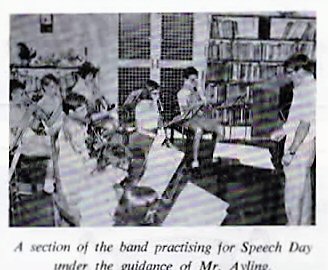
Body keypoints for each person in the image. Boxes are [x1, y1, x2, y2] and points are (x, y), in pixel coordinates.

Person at [280, 54, 316, 225]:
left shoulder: (308, 90)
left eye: (290, 73)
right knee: (304, 193)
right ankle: (304, 229)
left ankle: (292, 234)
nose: (288, 77)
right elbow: (297, 119)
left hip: (299, 148)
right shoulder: (307, 87)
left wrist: (291, 152)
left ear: (300, 71)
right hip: (307, 146)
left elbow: (304, 125)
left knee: (292, 198)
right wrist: (283, 131)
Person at [176, 67, 224, 168]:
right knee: (198, 131)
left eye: (196, 80)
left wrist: (202, 96)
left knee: (220, 128)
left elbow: (206, 106)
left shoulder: (197, 91)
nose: (194, 83)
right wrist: (198, 103)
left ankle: (213, 154)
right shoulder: (182, 94)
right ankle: (195, 159)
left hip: (200, 118)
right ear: (185, 80)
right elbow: (186, 112)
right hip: (188, 119)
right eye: (192, 80)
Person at [120, 80, 164, 187]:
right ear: (148, 93)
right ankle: (137, 183)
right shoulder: (141, 106)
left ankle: (153, 183)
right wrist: (153, 135)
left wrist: (161, 132)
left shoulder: (155, 104)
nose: (157, 96)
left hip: (152, 135)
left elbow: (157, 123)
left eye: (158, 93)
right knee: (151, 156)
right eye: (154, 94)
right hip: (141, 136)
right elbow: (139, 129)